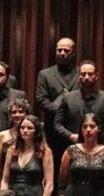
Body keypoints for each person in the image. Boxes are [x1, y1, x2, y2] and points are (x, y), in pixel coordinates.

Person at [35, 37, 79, 172]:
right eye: (59, 50)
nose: (62, 53)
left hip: (75, 128)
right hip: (52, 129)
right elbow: (41, 100)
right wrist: (62, 111)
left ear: (73, 53)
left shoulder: (81, 73)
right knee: (52, 167)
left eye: (66, 50)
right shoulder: (45, 74)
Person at [54, 60, 104, 150]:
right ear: (79, 76)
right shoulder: (68, 98)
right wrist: (71, 136)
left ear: (97, 76)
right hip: (74, 150)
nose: (86, 77)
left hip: (100, 150)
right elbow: (57, 124)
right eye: (83, 74)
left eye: (90, 74)